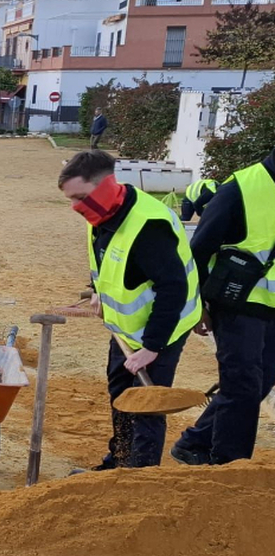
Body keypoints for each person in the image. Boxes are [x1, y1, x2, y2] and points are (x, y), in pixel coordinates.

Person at [58, 150, 201, 469]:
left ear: (106, 186)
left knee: (146, 404)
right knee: (120, 392)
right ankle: (120, 460)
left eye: (80, 197)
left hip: (164, 328)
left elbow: (173, 288)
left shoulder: (150, 227)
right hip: (125, 327)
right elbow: (104, 259)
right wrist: (97, 291)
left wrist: (152, 348)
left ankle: (139, 478)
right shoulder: (99, 215)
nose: (75, 207)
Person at [171, 148, 275, 466]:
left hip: (270, 305)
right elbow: (198, 251)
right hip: (237, 303)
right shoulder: (240, 189)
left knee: (259, 380)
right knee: (242, 381)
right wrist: (197, 305)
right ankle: (230, 464)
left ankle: (195, 442)